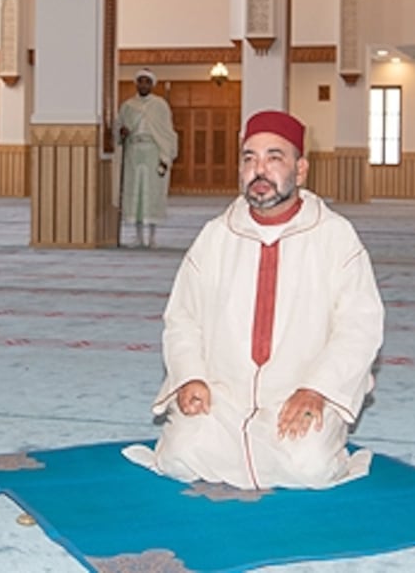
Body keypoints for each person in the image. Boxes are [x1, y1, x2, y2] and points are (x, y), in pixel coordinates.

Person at [123, 110, 385, 490]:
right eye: (249, 159)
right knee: (178, 458)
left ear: (300, 170)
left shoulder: (335, 237)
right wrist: (190, 375)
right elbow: (182, 318)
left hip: (299, 392)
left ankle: (321, 438)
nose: (259, 170)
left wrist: (318, 388)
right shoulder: (215, 236)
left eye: (274, 158)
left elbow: (359, 327)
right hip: (223, 395)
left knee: (308, 468)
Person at [117, 68, 178, 248]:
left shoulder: (160, 105)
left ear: (152, 84)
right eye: (140, 81)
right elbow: (118, 128)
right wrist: (121, 132)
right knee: (135, 191)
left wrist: (165, 156)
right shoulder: (127, 106)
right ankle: (138, 236)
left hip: (153, 150)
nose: (143, 84)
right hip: (134, 152)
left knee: (152, 193)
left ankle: (152, 237)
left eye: (147, 81)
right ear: (136, 83)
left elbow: (167, 133)